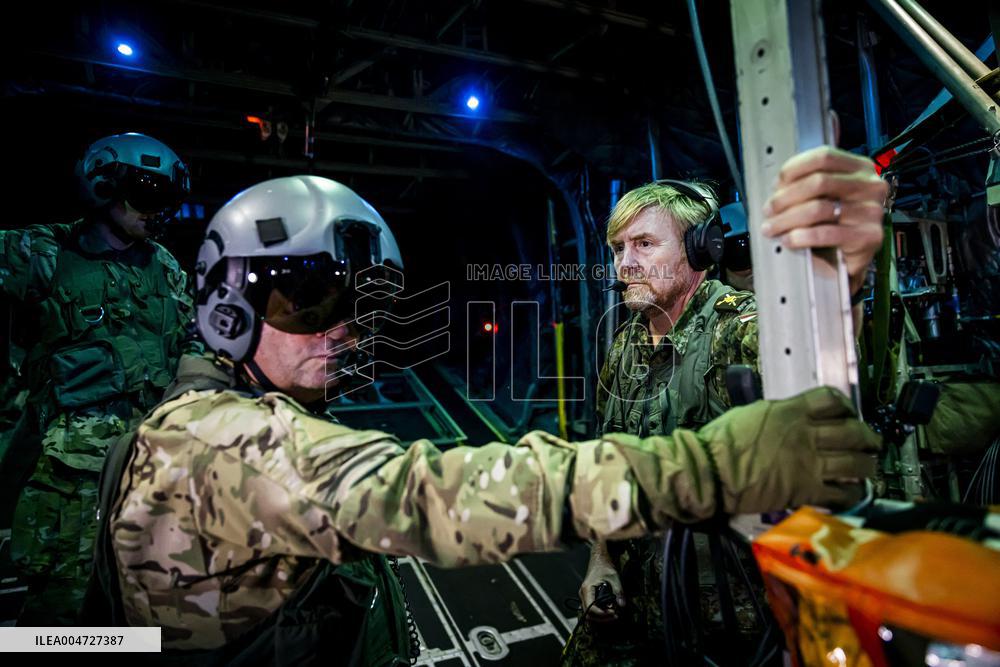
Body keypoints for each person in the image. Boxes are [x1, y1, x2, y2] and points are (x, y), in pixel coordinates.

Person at [92, 174, 880, 663]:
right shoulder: (225, 440)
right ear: (227, 309)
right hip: (647, 582)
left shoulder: (738, 322)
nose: (344, 330)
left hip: (735, 595)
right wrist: (703, 473)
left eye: (356, 306)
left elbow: (823, 365)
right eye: (310, 301)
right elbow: (427, 493)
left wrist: (834, 278)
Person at [562, 146, 889, 665]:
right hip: (634, 601)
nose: (626, 264)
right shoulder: (625, 345)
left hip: (728, 625)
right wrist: (599, 560)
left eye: (645, 244)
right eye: (619, 247)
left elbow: (815, 358)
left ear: (699, 251)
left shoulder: (738, 330)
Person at [0, 132, 197, 625]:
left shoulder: (166, 269)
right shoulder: (40, 254)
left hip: (151, 470)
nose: (159, 212)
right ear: (103, 185)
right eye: (149, 197)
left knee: (146, 618)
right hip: (72, 480)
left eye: (169, 201)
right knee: (58, 619)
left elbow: (194, 346)